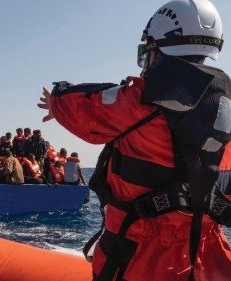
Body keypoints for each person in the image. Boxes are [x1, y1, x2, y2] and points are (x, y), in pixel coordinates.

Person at [38, 1, 231, 279]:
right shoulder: (226, 110)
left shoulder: (137, 100)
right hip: (208, 258)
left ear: (157, 49)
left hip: (138, 257)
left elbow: (82, 107)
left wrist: (55, 101)